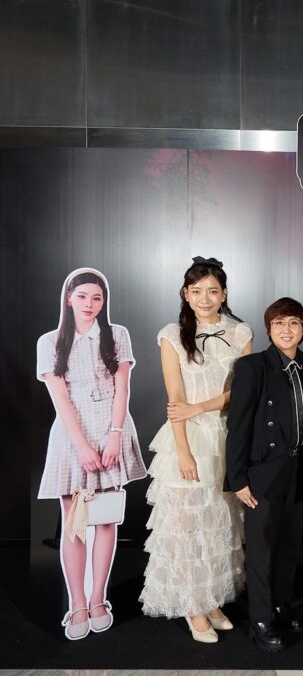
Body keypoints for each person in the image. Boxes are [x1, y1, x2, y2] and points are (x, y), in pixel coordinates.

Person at [140, 257, 250, 642]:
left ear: (224, 294)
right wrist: (184, 451)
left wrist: (201, 407)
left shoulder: (240, 333)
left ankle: (211, 598)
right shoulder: (172, 335)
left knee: (219, 524)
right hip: (187, 438)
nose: (205, 298)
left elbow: (243, 392)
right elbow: (175, 398)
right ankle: (192, 606)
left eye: (212, 291)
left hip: (226, 438)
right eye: (197, 291)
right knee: (188, 527)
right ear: (186, 295)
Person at [37, 268, 147, 640]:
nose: (89, 304)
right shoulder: (50, 341)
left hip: (112, 429)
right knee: (74, 520)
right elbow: (60, 398)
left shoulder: (117, 335)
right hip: (72, 436)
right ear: (69, 299)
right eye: (82, 296)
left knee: (106, 517)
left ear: (104, 302)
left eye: (96, 298)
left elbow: (122, 389)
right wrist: (83, 445)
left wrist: (114, 436)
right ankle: (77, 603)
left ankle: (99, 599)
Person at [225, 298, 303, 652]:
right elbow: (238, 426)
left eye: (294, 323)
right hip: (264, 472)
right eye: (279, 323)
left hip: (301, 469)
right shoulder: (253, 366)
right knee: (262, 551)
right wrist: (238, 478)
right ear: (269, 329)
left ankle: (282, 605)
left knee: (289, 546)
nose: (287, 330)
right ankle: (261, 619)